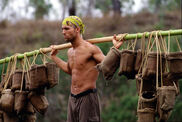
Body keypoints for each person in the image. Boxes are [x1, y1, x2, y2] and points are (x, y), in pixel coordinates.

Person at [50, 16, 124, 122]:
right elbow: (70, 70)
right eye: (62, 29)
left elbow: (107, 65)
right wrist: (54, 57)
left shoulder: (91, 49)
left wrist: (115, 48)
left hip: (87, 97)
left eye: (66, 28)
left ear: (77, 29)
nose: (63, 32)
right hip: (72, 98)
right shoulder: (70, 51)